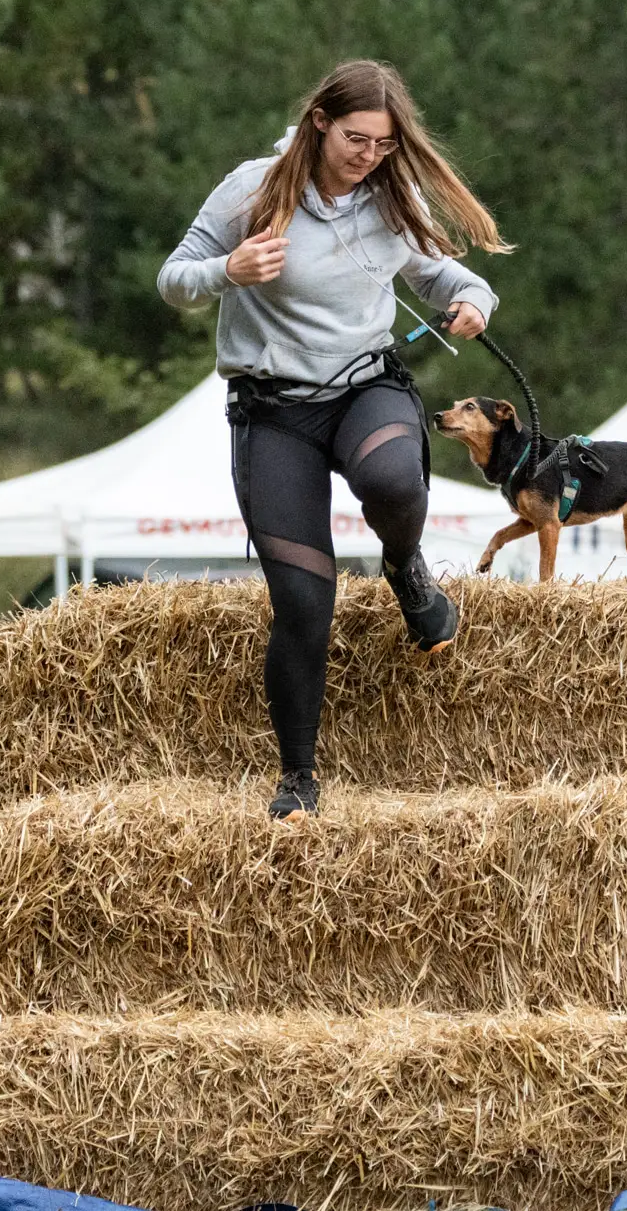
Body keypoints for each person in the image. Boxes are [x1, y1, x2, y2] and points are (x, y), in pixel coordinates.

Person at [158, 58, 512, 821]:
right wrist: (230, 268)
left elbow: (444, 277)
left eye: (384, 145)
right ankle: (298, 779)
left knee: (394, 481)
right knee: (301, 602)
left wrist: (474, 301)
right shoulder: (253, 188)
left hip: (362, 386)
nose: (369, 156)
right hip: (271, 409)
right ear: (319, 121)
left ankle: (406, 572)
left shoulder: (392, 199)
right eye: (357, 139)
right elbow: (173, 279)